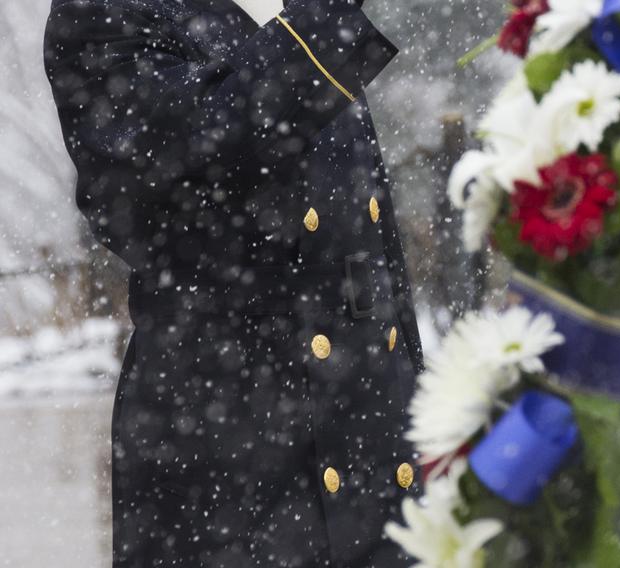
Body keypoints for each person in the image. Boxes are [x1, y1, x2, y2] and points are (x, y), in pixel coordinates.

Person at [42, 0, 423, 565]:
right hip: (232, 474)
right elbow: (162, 178)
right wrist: (319, 31)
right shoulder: (107, 10)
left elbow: (372, 265)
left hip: (376, 461)